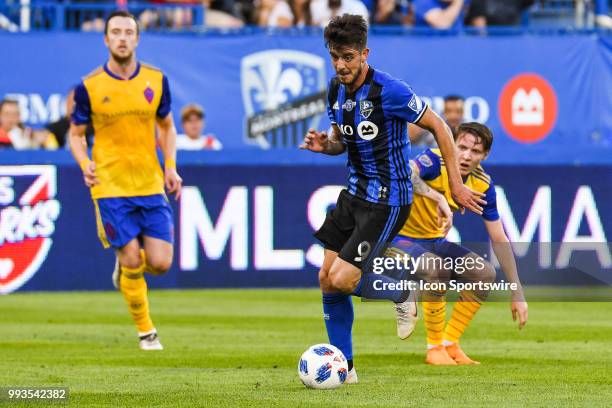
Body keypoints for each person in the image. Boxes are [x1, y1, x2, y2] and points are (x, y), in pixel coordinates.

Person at [300, 14, 484, 382]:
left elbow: (440, 127)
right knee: (326, 278)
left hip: (388, 198)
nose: (341, 64)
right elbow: (343, 141)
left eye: (348, 56)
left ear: (365, 53)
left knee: (344, 279)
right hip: (353, 194)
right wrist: (327, 146)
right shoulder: (335, 90)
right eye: (335, 56)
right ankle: (346, 368)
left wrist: (456, 185)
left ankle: (401, 291)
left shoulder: (391, 91)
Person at [69, 10, 183, 351]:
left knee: (160, 263)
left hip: (149, 183)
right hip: (110, 186)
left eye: (127, 32)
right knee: (134, 259)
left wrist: (171, 166)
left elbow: (166, 125)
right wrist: (84, 162)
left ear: (137, 38)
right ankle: (146, 331)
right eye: (115, 32)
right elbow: (76, 135)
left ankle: (125, 271)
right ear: (106, 40)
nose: (121, 37)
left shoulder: (156, 79)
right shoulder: (89, 86)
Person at [391, 122, 528, 365]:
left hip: (433, 241)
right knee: (437, 269)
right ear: (451, 145)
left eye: (475, 151)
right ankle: (434, 349)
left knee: (484, 273)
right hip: (397, 240)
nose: (466, 156)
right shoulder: (435, 159)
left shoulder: (482, 184)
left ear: (485, 155)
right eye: (461, 147)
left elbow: (499, 237)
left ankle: (450, 344)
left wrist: (517, 291)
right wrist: (435, 196)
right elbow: (405, 174)